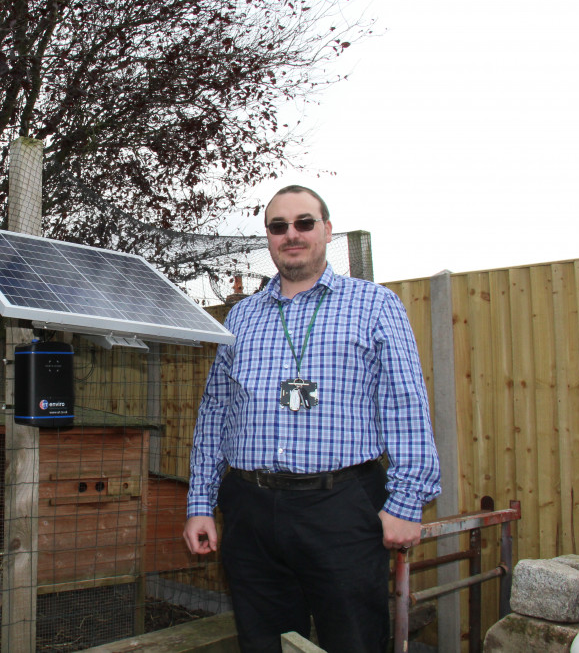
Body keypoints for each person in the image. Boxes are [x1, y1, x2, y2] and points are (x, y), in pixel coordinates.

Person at [182, 185, 440, 653]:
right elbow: (216, 411)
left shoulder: (375, 305)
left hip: (340, 508)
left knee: (354, 642)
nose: (291, 234)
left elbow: (405, 404)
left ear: (326, 229)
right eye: (278, 226)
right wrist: (200, 502)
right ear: (268, 237)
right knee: (265, 644)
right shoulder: (240, 319)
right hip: (250, 510)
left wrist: (405, 502)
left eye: (304, 222)